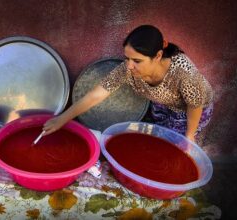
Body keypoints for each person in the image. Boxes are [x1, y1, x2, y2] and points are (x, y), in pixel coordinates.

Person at [43, 25, 213, 143]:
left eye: (137, 60)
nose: (129, 65)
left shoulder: (184, 73)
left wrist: (190, 137)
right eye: (127, 58)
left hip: (191, 109)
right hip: (163, 102)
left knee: (173, 144)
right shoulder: (128, 68)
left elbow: (195, 104)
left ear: (158, 55)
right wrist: (62, 119)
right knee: (154, 135)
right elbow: (97, 94)